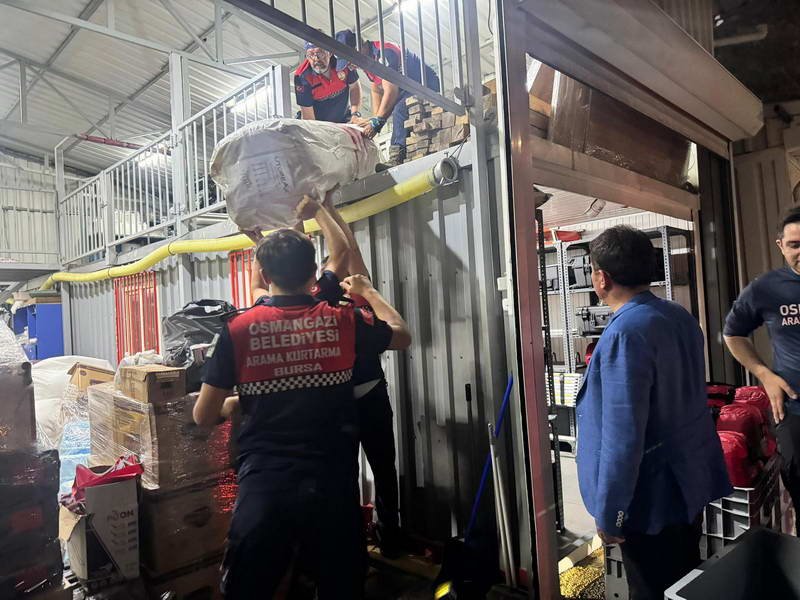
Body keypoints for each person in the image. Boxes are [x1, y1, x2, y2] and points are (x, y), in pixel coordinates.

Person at [194, 199, 412, 599]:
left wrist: (234, 404)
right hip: (332, 490)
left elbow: (203, 416)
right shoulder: (341, 320)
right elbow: (400, 334)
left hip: (265, 491)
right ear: (314, 273)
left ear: (263, 273)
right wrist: (318, 209)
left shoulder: (239, 329)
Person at [576, 225, 731, 600]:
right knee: (683, 581)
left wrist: (611, 512)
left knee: (652, 589)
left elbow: (622, 437)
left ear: (601, 278)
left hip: (649, 501)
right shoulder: (678, 316)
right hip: (686, 484)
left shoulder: (625, 333)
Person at [724, 206, 800, 536]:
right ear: (780, 245)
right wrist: (765, 375)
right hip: (794, 411)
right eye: (795, 244)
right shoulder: (767, 288)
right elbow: (733, 334)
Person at [335, 29, 441, 165]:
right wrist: (375, 117)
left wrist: (377, 122)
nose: (350, 67)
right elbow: (376, 89)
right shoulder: (366, 60)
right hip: (404, 88)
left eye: (349, 61)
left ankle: (397, 157)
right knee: (396, 108)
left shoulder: (384, 53)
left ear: (360, 48)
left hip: (424, 84)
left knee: (399, 109)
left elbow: (391, 91)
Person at [295, 40, 363, 124]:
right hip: (318, 123)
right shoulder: (302, 76)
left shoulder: (342, 61)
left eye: (320, 53)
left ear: (330, 53)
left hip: (343, 118)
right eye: (311, 55)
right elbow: (308, 117)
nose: (316, 59)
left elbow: (354, 87)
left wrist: (355, 114)